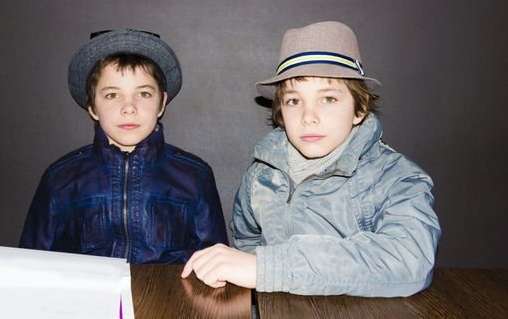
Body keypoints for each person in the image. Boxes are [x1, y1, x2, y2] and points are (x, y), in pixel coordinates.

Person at [182, 21, 441, 296]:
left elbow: (410, 259)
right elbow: (247, 236)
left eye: (328, 99)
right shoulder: (262, 174)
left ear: (360, 108)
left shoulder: (396, 177)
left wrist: (269, 269)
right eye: (294, 101)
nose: (308, 116)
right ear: (280, 110)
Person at [20, 29, 228, 264]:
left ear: (162, 103)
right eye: (111, 95)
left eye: (144, 93)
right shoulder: (60, 179)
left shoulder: (194, 175)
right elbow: (30, 262)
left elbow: (217, 264)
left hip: (166, 299)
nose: (129, 107)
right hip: (84, 299)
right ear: (92, 107)